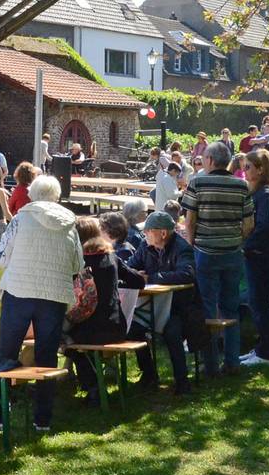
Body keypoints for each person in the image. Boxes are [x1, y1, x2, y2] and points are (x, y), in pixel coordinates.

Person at [0, 175, 83, 432]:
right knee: (47, 357)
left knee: (6, 352)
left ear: (32, 194)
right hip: (55, 295)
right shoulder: (70, 223)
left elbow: (2, 256)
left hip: (19, 290)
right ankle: (43, 418)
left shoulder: (21, 219)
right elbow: (77, 264)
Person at [181, 141, 255, 376]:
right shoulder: (241, 186)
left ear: (211, 160)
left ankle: (211, 363)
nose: (201, 160)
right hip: (233, 254)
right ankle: (232, 361)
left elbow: (190, 220)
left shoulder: (197, 183)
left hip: (205, 254)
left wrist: (192, 245)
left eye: (203, 157)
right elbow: (249, 223)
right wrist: (235, 239)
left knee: (208, 308)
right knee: (230, 308)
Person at [64, 218, 145, 406]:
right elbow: (138, 282)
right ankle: (92, 385)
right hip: (116, 326)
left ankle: (92, 388)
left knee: (66, 340)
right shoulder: (111, 257)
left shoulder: (76, 262)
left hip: (90, 330)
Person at [127, 210, 197, 394]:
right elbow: (129, 267)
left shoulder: (182, 248)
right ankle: (149, 374)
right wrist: (134, 275)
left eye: (148, 231)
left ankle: (182, 381)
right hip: (149, 306)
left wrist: (150, 278)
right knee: (132, 329)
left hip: (177, 307)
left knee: (172, 331)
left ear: (163, 233)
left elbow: (186, 274)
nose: (145, 234)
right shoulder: (145, 246)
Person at [241, 149, 269, 367]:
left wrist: (246, 246)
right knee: (257, 302)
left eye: (248, 166)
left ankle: (267, 353)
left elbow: (265, 226)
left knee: (259, 303)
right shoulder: (258, 192)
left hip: (262, 254)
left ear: (260, 169)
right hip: (257, 253)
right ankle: (262, 348)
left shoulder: (266, 193)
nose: (244, 171)